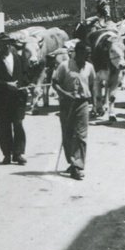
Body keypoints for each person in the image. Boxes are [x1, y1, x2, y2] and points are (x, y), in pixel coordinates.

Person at [51, 40, 97, 180]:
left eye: (89, 54)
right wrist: (65, 94)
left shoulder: (89, 67)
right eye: (86, 53)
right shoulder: (65, 66)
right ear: (78, 52)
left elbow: (92, 84)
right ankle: (72, 161)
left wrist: (94, 104)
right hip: (66, 104)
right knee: (68, 134)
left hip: (82, 103)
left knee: (81, 135)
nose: (88, 56)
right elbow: (55, 83)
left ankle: (77, 166)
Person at [0, 32, 28, 165]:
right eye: (3, 44)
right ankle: (7, 154)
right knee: (4, 127)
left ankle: (18, 153)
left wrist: (26, 84)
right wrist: (6, 84)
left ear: (11, 45)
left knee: (18, 124)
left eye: (8, 43)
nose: (6, 46)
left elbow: (26, 74)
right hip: (1, 100)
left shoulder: (18, 58)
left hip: (17, 99)